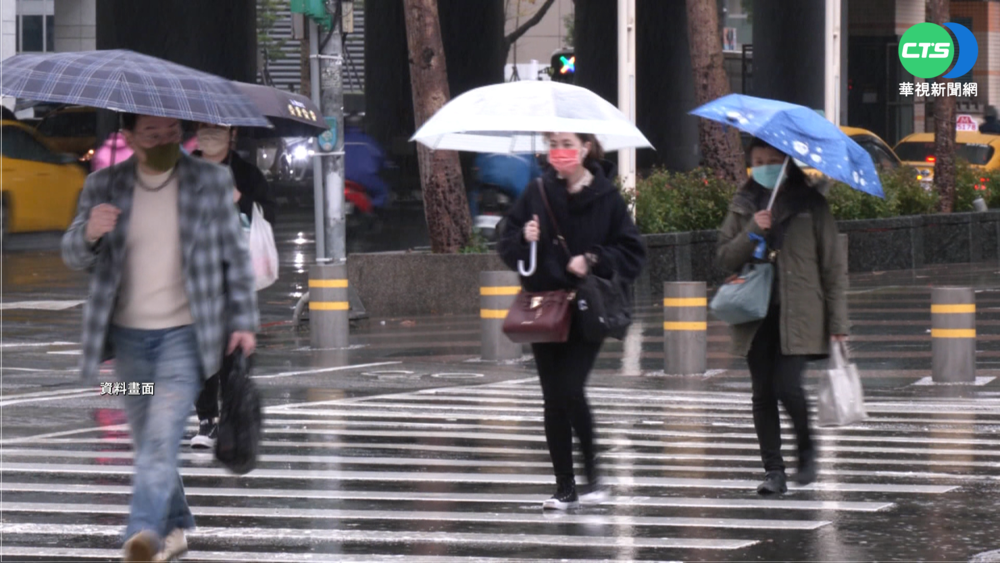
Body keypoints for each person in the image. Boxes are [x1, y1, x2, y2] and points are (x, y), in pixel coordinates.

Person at [61, 113, 258, 561]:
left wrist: (244, 320)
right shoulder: (103, 186)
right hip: (127, 343)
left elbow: (234, 254)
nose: (165, 140)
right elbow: (71, 252)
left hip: (187, 339)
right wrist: (90, 232)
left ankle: (143, 533)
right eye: (152, 134)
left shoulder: (208, 181)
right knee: (150, 438)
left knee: (162, 433)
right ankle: (176, 527)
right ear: (128, 137)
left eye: (172, 133)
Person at [498, 132, 645, 510]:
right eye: (552, 144)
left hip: (586, 308)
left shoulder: (607, 197)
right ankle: (565, 485)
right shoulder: (536, 191)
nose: (558, 151)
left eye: (565, 142)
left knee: (568, 388)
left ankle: (592, 471)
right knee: (556, 396)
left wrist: (592, 259)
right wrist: (523, 238)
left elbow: (632, 252)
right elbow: (507, 243)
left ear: (584, 148)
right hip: (544, 306)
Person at [715, 137, 849, 495]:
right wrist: (752, 230)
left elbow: (833, 266)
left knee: (787, 387)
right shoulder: (743, 204)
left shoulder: (812, 205)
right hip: (754, 312)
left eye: (773, 159)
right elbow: (725, 257)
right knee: (762, 392)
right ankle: (773, 471)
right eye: (758, 160)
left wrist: (838, 324)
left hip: (801, 312)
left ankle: (806, 446)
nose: (765, 166)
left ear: (788, 162)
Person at [187, 122, 276, 450]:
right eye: (204, 128)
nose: (209, 135)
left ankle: (231, 419)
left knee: (231, 353)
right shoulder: (184, 171)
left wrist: (239, 198)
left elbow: (269, 215)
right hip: (192, 276)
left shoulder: (247, 173)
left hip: (234, 277)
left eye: (217, 129)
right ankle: (207, 418)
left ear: (231, 133)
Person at [471, 152, 542, 217]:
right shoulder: (529, 151)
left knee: (474, 193)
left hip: (487, 184)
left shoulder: (488, 145)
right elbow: (539, 178)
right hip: (515, 190)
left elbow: (477, 165)